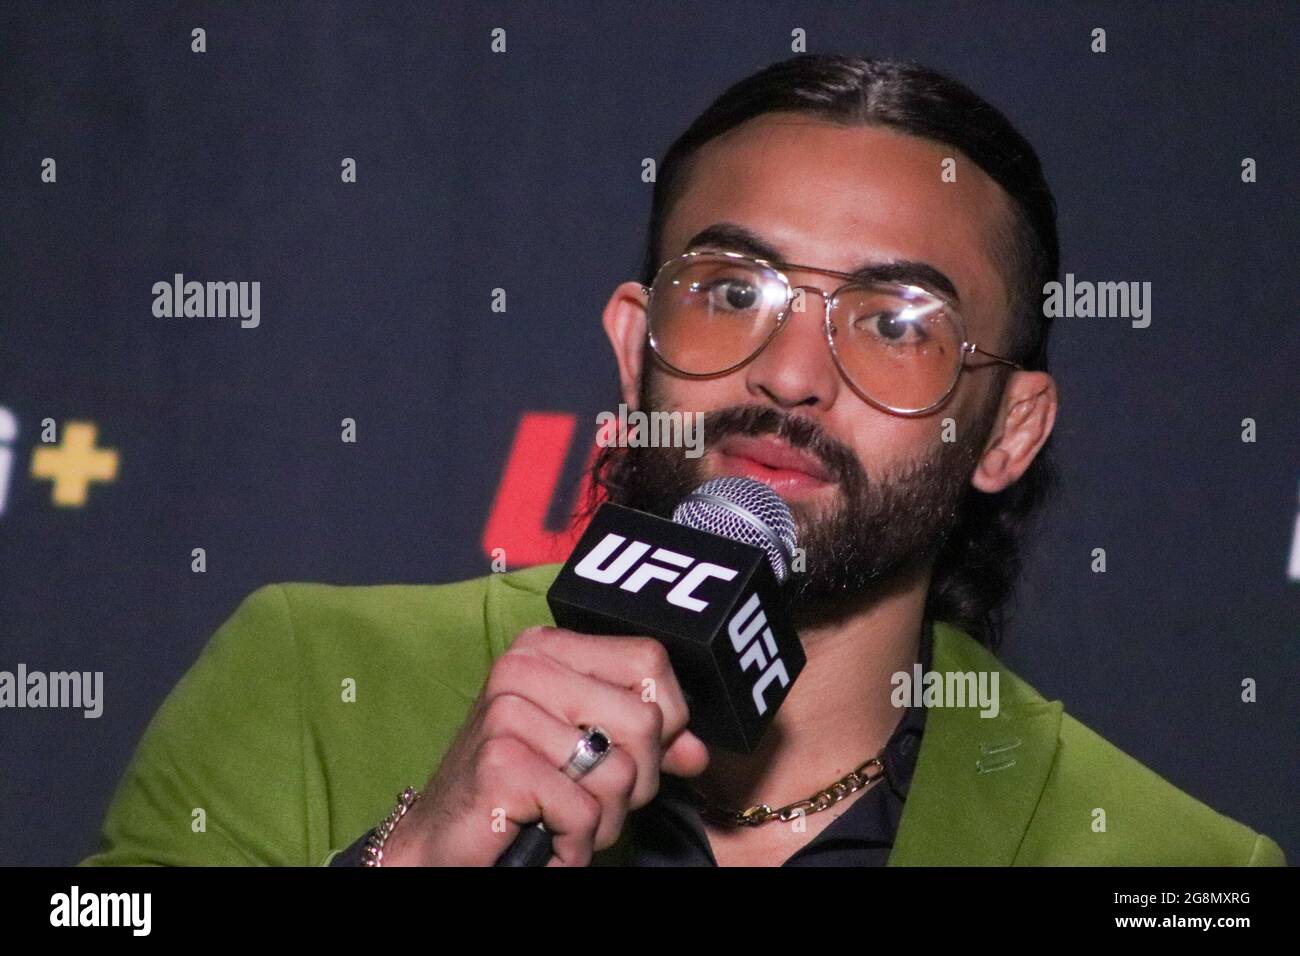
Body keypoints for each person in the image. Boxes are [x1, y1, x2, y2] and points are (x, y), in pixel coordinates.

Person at [81, 54, 1285, 867]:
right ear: (631, 343)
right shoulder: (305, 678)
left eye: (895, 322)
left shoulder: (1166, 860)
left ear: (1009, 431)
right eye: (728, 291)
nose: (790, 372)